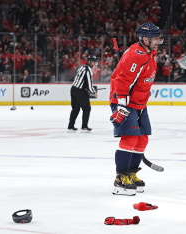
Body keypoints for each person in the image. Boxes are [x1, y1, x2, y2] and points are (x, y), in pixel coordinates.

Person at [109, 22, 163, 196]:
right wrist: (121, 105)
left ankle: (131, 173)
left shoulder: (151, 52)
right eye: (155, 38)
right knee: (130, 138)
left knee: (143, 139)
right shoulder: (135, 55)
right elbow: (122, 81)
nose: (158, 41)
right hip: (125, 101)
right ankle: (120, 178)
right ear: (145, 39)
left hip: (140, 103)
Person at [67, 55, 98, 133]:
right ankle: (84, 126)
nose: (94, 64)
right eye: (94, 62)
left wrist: (89, 89)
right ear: (91, 62)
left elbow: (83, 82)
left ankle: (70, 126)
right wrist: (94, 92)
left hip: (73, 89)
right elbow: (89, 84)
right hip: (80, 91)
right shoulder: (88, 70)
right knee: (87, 108)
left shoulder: (81, 67)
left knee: (75, 109)